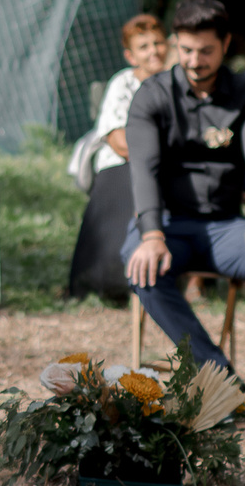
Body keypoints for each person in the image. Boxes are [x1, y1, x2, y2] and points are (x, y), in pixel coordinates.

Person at [120, 0, 245, 416]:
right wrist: (151, 234)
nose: (195, 60)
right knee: (137, 260)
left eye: (206, 50)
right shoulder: (151, 95)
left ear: (226, 44)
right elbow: (144, 169)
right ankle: (220, 374)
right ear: (176, 43)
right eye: (187, 49)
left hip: (227, 226)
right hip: (169, 226)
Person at [64, 15, 168, 300]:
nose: (154, 51)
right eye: (144, 46)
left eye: (158, 43)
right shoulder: (122, 84)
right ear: (130, 55)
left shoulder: (176, 82)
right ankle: (107, 281)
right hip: (123, 164)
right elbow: (119, 142)